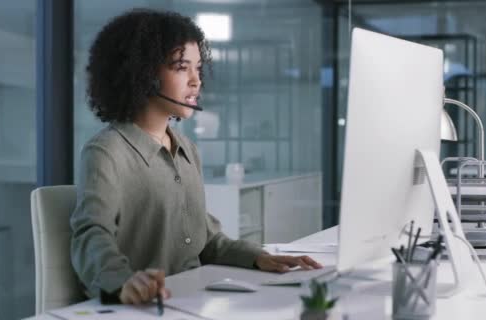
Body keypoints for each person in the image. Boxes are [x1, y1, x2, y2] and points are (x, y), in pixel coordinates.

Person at [70, 8, 322, 305]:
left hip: (194, 296)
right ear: (143, 74)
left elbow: (206, 240)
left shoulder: (187, 150)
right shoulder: (107, 152)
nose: (196, 80)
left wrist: (260, 258)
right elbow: (90, 234)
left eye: (198, 69)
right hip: (148, 306)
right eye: (181, 67)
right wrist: (123, 281)